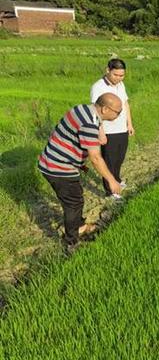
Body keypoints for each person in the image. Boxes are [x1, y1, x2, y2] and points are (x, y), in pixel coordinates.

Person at [38, 93, 123, 252]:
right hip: (58, 167)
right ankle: (71, 241)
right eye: (118, 112)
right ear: (105, 109)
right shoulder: (89, 124)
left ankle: (81, 226)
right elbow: (96, 158)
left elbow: (74, 136)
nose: (119, 114)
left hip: (54, 160)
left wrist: (79, 161)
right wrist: (112, 180)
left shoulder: (83, 109)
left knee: (75, 196)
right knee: (73, 203)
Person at [90, 58, 134, 198]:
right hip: (108, 130)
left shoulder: (120, 85)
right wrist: (100, 132)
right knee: (109, 161)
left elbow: (125, 104)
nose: (119, 78)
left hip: (122, 128)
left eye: (122, 75)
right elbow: (95, 111)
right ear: (108, 70)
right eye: (116, 75)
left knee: (119, 158)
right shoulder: (98, 87)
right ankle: (110, 191)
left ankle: (117, 180)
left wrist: (130, 123)